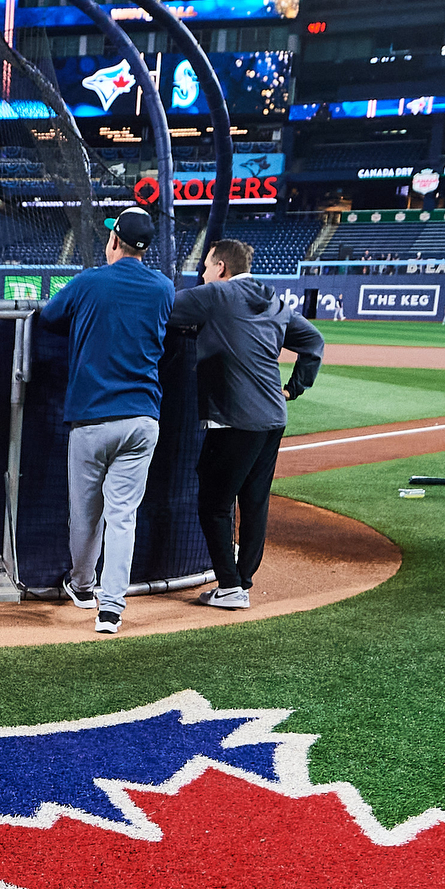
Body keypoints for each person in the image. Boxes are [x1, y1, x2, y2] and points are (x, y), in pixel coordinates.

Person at [33, 206, 173, 634]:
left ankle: (82, 586)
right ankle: (110, 610)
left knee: (86, 515)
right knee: (123, 516)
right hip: (142, 418)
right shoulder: (164, 287)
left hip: (92, 418)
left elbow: (48, 317)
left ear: (114, 239)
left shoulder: (88, 282)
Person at [166, 236, 323, 610]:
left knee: (214, 504)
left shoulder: (216, 296)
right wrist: (293, 389)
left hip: (234, 419)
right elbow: (313, 341)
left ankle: (231, 587)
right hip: (273, 418)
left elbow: (163, 308)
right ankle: (243, 581)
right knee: (254, 502)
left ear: (221, 267)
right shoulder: (273, 300)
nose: (202, 274)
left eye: (205, 266)